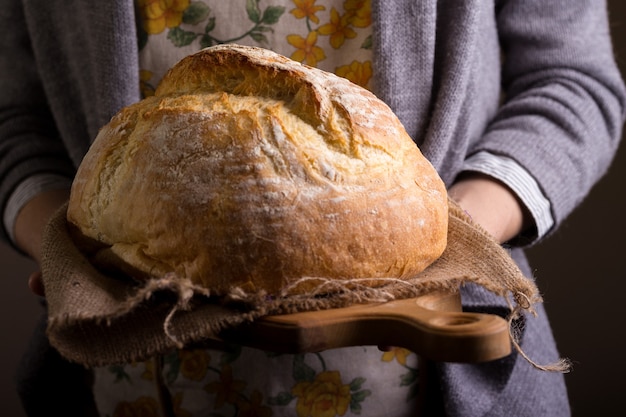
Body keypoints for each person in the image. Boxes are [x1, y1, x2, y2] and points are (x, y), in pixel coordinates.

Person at [2, 1, 624, 416]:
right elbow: (11, 116)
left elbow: (572, 80)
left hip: (427, 383)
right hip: (129, 382)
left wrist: (443, 232)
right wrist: (59, 247)